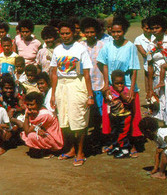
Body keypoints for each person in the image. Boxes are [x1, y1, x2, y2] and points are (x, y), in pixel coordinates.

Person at [50, 21, 94, 166]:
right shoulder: (57, 50)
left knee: (79, 120)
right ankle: (71, 149)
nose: (65, 36)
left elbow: (87, 74)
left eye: (67, 33)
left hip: (77, 84)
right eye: (62, 34)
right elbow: (54, 73)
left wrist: (90, 95)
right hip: (62, 86)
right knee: (64, 120)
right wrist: (53, 94)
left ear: (73, 33)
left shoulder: (80, 49)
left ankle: (81, 152)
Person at [97, 16, 142, 158]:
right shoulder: (108, 46)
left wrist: (132, 90)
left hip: (126, 86)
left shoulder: (130, 47)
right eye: (114, 32)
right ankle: (115, 144)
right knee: (114, 118)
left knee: (128, 118)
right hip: (111, 87)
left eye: (119, 32)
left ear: (124, 31)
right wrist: (106, 84)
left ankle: (129, 145)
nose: (116, 35)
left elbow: (134, 69)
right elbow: (103, 64)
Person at [79, 17, 105, 137]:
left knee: (100, 111)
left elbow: (105, 65)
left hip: (99, 83)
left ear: (97, 32)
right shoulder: (79, 45)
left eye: (92, 32)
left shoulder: (102, 45)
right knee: (87, 111)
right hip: (84, 84)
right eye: (87, 32)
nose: (89, 35)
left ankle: (100, 134)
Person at [21, 92, 63, 158]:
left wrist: (27, 116)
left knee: (31, 136)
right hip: (44, 133)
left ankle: (49, 151)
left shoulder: (44, 115)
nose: (29, 107)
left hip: (53, 138)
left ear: (38, 104)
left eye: (32, 105)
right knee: (26, 133)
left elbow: (27, 131)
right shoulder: (31, 110)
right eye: (28, 104)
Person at [103, 70, 133, 158]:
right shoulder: (110, 90)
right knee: (114, 132)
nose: (120, 85)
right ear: (112, 83)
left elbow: (127, 100)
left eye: (121, 83)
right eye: (117, 83)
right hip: (115, 116)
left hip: (125, 116)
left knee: (123, 133)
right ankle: (116, 147)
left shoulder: (125, 90)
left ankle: (125, 150)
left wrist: (121, 93)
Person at [134, 18, 153, 107]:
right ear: (142, 28)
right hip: (148, 66)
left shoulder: (156, 36)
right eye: (146, 28)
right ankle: (150, 104)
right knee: (148, 85)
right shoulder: (138, 39)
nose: (149, 31)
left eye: (150, 28)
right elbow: (144, 54)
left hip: (159, 66)